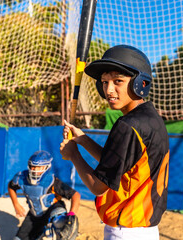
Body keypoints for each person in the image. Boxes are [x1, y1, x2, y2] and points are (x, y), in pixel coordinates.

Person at [60, 45, 170, 240]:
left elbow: (98, 187)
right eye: (104, 82)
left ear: (140, 83)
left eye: (118, 81)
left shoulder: (128, 125)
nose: (109, 90)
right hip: (145, 230)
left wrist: (74, 155)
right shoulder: (149, 117)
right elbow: (119, 165)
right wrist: (83, 139)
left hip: (126, 231)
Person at [8, 150, 81, 240]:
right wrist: (16, 204)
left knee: (59, 220)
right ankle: (40, 233)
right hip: (34, 214)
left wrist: (71, 215)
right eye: (33, 167)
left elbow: (76, 195)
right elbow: (11, 186)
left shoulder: (52, 181)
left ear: (47, 167)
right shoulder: (21, 178)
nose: (34, 170)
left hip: (52, 210)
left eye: (39, 167)